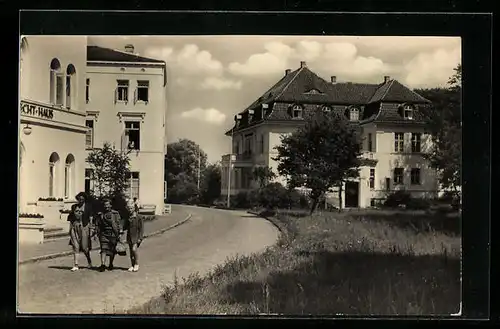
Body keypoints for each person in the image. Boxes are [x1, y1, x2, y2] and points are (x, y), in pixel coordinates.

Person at [68, 192, 94, 272]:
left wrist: (91, 229)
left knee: (85, 247)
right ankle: (76, 265)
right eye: (79, 199)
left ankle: (89, 261)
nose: (81, 200)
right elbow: (71, 218)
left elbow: (91, 219)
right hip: (75, 227)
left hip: (84, 227)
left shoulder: (88, 207)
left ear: (85, 199)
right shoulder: (74, 207)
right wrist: (70, 229)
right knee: (75, 246)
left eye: (82, 199)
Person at [96, 198, 122, 272]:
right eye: (105, 205)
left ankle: (111, 263)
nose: (106, 206)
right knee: (103, 249)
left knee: (112, 250)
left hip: (113, 233)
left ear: (111, 205)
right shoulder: (101, 214)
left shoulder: (115, 213)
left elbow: (119, 223)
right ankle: (103, 265)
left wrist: (120, 232)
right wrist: (96, 232)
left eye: (108, 205)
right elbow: (97, 224)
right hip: (103, 233)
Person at [124, 200, 144, 272]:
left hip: (136, 236)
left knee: (134, 250)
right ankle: (132, 265)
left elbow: (141, 228)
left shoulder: (138, 217)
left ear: (134, 208)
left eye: (131, 208)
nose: (130, 210)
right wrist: (121, 230)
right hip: (129, 236)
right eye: (129, 208)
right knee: (131, 252)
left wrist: (140, 237)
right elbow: (125, 226)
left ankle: (136, 264)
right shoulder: (128, 217)